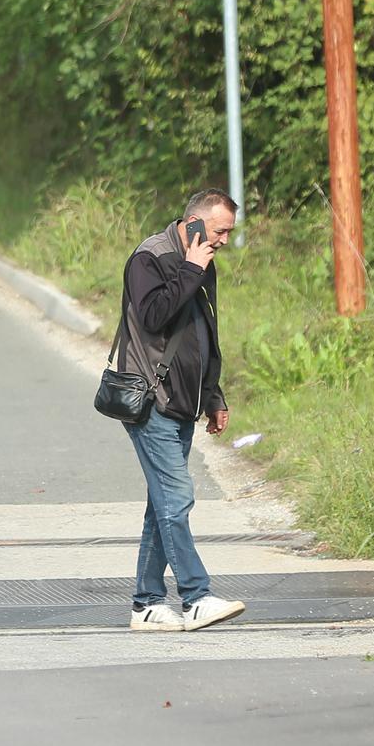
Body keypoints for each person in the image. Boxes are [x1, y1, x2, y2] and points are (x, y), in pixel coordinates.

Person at [116, 188, 247, 632]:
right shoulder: (150, 258)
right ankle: (196, 596)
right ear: (193, 222)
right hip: (151, 399)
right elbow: (153, 316)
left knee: (163, 505)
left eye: (228, 232)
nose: (225, 240)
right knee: (176, 498)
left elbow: (204, 332)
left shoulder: (203, 261)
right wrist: (190, 268)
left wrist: (213, 395)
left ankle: (147, 605)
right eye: (220, 230)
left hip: (183, 401)